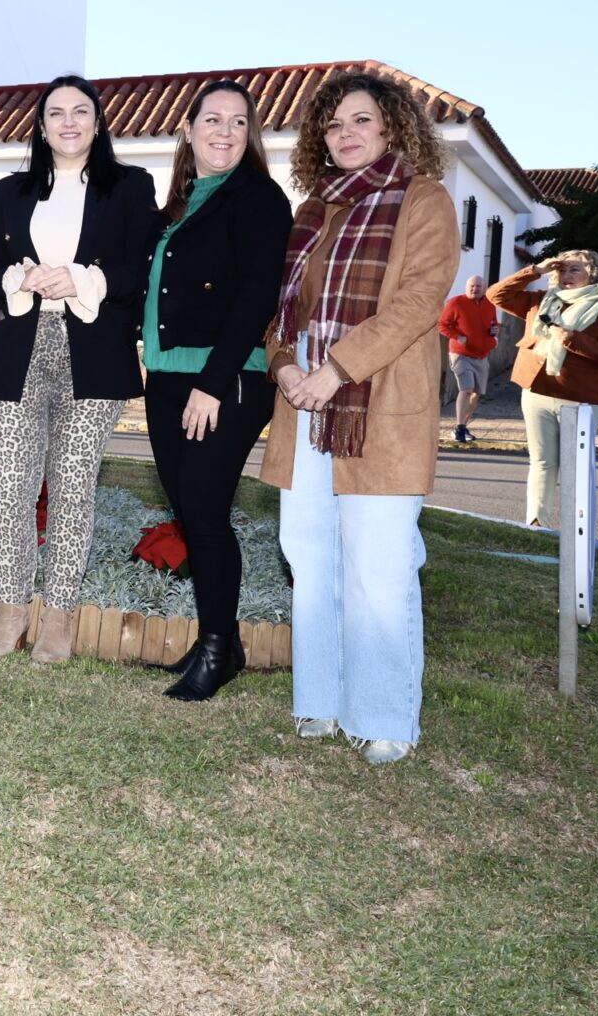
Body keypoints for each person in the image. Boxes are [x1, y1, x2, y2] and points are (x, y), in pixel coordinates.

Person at [261, 70, 458, 766]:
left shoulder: (424, 201)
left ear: (394, 127)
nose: (344, 135)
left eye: (360, 121)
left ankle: (385, 718)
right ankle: (320, 699)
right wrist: (284, 366)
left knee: (379, 565)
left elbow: (417, 303)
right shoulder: (314, 209)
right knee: (310, 558)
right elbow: (283, 310)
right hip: (304, 405)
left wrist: (333, 370)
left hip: (375, 406)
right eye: (333, 125)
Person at [0, 74, 158, 662]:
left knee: (74, 488)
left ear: (98, 123)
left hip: (93, 352)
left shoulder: (129, 187)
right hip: (20, 346)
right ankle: (11, 612)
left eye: (81, 111)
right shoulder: (11, 189)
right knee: (13, 485)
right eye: (56, 113)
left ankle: (59, 617)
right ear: (42, 124)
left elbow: (141, 269)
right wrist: (18, 278)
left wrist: (80, 279)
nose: (69, 122)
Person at [141, 80, 292, 699]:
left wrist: (211, 381)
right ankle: (221, 641)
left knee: (204, 513)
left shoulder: (257, 197)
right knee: (191, 511)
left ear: (250, 133)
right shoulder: (179, 202)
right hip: (166, 376)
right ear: (189, 128)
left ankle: (216, 652)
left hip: (223, 380)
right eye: (212, 120)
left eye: (238, 122)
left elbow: (258, 295)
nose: (224, 131)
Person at [487, 250, 598, 527]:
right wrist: (536, 270)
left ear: (593, 273)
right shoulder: (541, 300)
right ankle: (537, 525)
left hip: (581, 399)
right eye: (562, 270)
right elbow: (496, 295)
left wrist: (574, 340)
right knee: (542, 462)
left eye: (574, 270)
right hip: (537, 391)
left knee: (574, 467)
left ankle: (575, 531)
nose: (566, 276)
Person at [437, 275, 498, 443]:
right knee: (467, 388)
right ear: (466, 287)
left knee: (476, 393)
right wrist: (457, 336)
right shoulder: (456, 302)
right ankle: (460, 429)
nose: (474, 289)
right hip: (461, 354)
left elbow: (494, 323)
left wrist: (494, 334)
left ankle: (463, 425)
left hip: (482, 355)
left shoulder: (489, 304)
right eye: (471, 286)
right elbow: (441, 324)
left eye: (478, 286)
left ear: (484, 288)